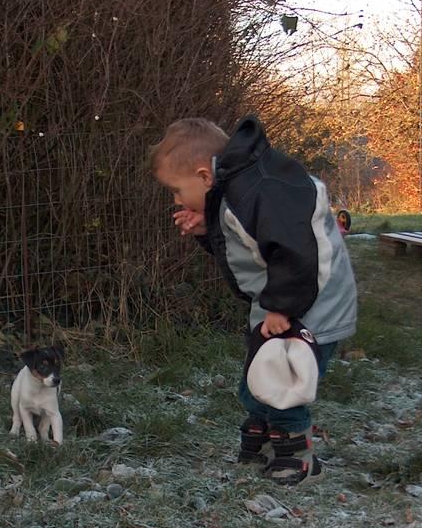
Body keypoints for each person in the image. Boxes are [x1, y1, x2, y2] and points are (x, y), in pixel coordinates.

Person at [149, 114, 357, 485]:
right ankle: (263, 436)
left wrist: (281, 307)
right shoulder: (234, 193)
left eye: (177, 190)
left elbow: (296, 250)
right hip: (281, 297)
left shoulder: (261, 191)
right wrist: (206, 228)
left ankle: (297, 455)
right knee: (257, 373)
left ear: (203, 176)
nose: (177, 199)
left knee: (286, 380)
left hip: (314, 298)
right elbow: (244, 248)